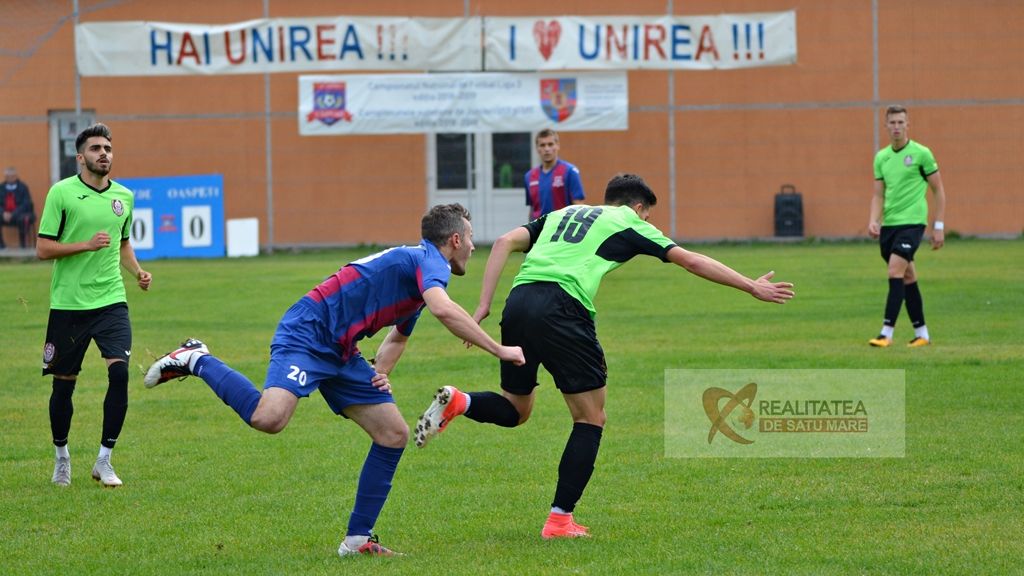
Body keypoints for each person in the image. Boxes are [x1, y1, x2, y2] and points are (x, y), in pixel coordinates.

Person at [414, 173, 794, 539]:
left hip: (520, 301)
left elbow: (502, 242)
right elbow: (691, 260)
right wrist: (750, 286)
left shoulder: (564, 213)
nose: (647, 222)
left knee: (516, 410)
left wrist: (482, 306)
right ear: (639, 207)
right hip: (564, 307)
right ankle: (560, 521)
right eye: (648, 215)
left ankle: (460, 401)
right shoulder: (630, 221)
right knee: (591, 417)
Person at [143, 203, 525, 558]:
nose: (474, 247)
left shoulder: (421, 274)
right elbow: (444, 309)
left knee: (393, 434)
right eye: (471, 238)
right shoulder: (429, 262)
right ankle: (197, 358)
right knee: (269, 418)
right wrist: (501, 350)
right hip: (308, 332)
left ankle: (358, 539)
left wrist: (380, 374)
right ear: (455, 240)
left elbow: (399, 336)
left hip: (342, 350)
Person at [37, 123, 152, 488]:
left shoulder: (124, 197)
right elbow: (43, 248)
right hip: (69, 304)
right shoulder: (62, 194)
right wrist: (84, 245)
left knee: (119, 373)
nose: (104, 153)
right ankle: (61, 457)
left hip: (111, 301)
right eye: (96, 148)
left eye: (108, 148)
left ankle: (104, 459)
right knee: (63, 386)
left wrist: (136, 272)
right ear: (80, 157)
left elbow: (122, 244)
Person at [867, 104, 946, 348]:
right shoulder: (882, 157)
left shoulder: (922, 154)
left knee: (894, 271)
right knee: (908, 276)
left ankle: (886, 333)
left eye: (901, 122)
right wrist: (873, 219)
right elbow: (878, 195)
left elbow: (938, 190)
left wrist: (939, 226)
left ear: (907, 124)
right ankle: (922, 334)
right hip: (890, 225)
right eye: (892, 123)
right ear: (886, 126)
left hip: (912, 223)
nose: (897, 127)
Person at [525, 128, 585, 219]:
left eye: (550, 144)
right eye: (542, 145)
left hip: (562, 230)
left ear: (557, 145)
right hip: (540, 231)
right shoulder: (529, 177)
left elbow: (579, 207)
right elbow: (533, 209)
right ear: (537, 148)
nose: (547, 149)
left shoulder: (570, 171)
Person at [2, 166, 36, 249]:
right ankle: (1, 246)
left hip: (20, 214)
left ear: (15, 176)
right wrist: (3, 213)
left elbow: (26, 204)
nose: (10, 178)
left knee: (24, 219)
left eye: (12, 176)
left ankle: (23, 246)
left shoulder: (23, 187)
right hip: (4, 215)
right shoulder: (1, 188)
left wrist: (13, 214)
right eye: (8, 177)